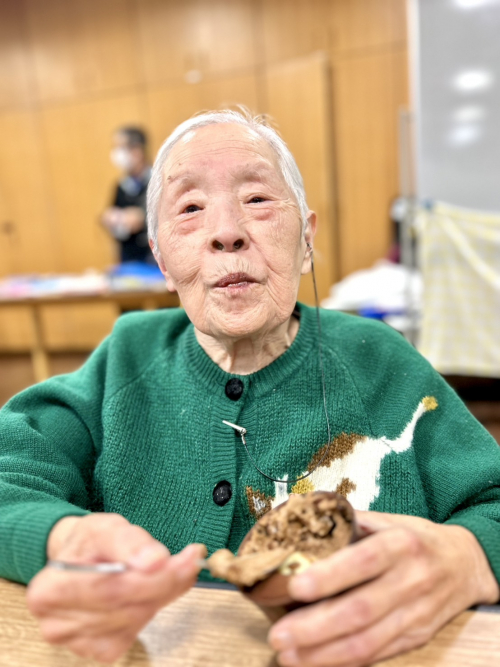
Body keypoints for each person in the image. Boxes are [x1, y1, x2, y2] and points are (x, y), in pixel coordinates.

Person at [0, 110, 499, 666]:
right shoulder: (126, 358)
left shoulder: (380, 360)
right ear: (161, 258)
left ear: (306, 238)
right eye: (190, 209)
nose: (226, 232)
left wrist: (469, 555)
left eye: (257, 199)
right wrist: (59, 537)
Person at [101, 126, 155, 264]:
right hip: (129, 260)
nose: (117, 153)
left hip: (153, 260)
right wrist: (109, 219)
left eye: (121, 147)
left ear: (137, 150)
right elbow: (113, 216)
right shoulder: (121, 186)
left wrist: (142, 218)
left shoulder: (157, 180)